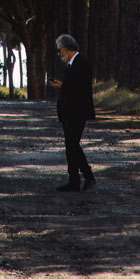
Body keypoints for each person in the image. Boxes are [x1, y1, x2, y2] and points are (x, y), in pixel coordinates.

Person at [50, 33, 95, 190]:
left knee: (73, 145)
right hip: (70, 112)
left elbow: (80, 88)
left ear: (67, 48)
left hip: (77, 112)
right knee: (71, 145)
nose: (59, 53)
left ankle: (85, 176)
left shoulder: (81, 64)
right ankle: (75, 180)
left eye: (60, 50)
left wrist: (63, 86)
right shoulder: (72, 65)